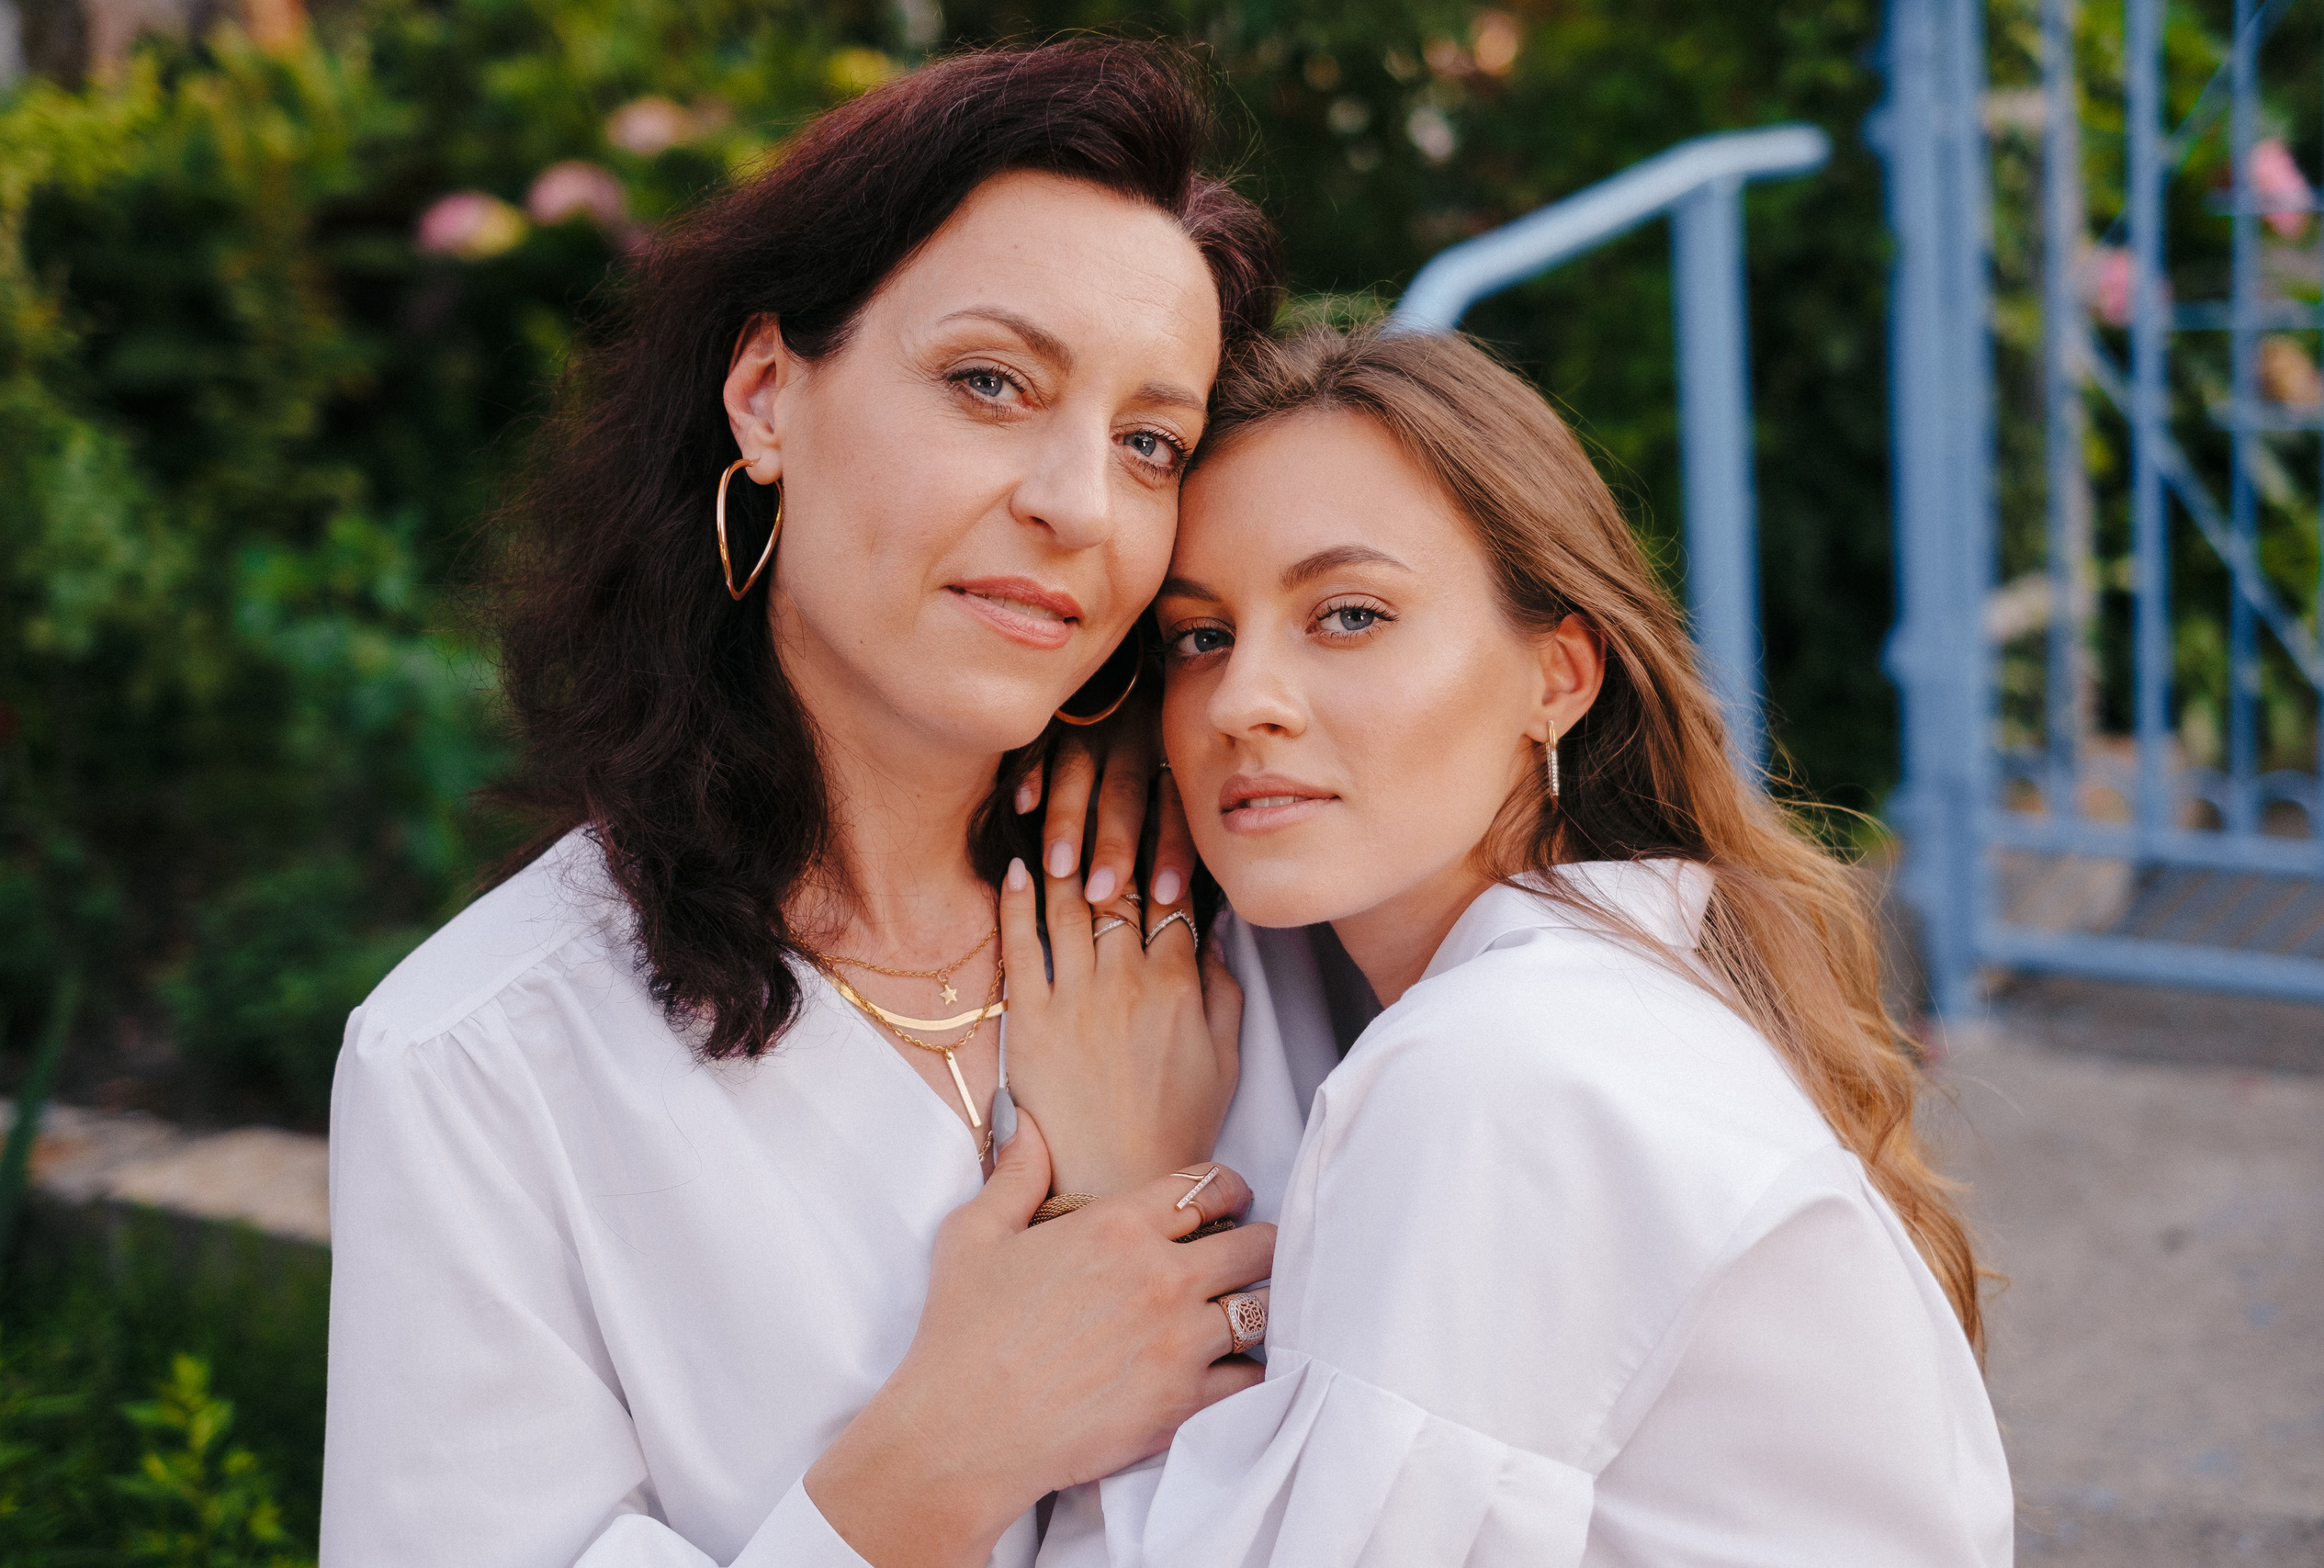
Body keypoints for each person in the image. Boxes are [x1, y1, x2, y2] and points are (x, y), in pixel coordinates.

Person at [321, 43, 1287, 1568]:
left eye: (1149, 442)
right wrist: (946, 1455)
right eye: (990, 383)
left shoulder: (1267, 927)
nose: (1079, 504)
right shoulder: (483, 1064)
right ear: (768, 394)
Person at [1020, 328, 2014, 1566]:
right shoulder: (1620, 982)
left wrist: (1117, 1202)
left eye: (1349, 615)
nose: (1241, 702)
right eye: (1199, 637)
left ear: (1558, 675)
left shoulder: (1506, 1067)